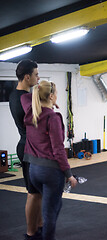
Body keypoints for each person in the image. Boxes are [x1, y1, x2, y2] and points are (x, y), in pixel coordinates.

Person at [21, 80, 77, 240]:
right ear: (51, 96)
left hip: (34, 171)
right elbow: (58, 150)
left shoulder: (32, 113)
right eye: (56, 94)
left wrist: (44, 97)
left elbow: (25, 98)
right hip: (50, 172)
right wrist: (69, 174)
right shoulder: (53, 117)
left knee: (46, 207)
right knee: (50, 213)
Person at [9, 59, 43, 239]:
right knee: (33, 193)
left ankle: (39, 225)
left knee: (37, 192)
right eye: (36, 75)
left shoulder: (15, 95)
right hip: (29, 148)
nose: (38, 78)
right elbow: (36, 121)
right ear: (27, 76)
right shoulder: (25, 97)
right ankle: (31, 232)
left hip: (28, 146)